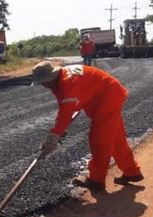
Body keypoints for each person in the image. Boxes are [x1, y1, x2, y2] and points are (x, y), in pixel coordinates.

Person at [33, 61, 143, 191]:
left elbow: (65, 111)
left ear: (51, 78)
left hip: (107, 98)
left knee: (99, 140)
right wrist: (60, 130)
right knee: (116, 139)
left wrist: (54, 136)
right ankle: (132, 172)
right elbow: (66, 109)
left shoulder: (68, 82)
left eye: (44, 82)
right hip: (106, 96)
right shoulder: (60, 80)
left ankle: (96, 180)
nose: (44, 86)